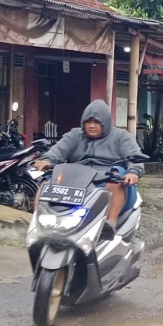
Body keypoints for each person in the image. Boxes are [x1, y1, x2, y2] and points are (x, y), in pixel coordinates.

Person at [34, 99, 144, 240]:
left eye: (96, 122)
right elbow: (58, 150)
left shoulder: (121, 137)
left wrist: (133, 172)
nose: (91, 126)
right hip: (77, 182)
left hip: (106, 180)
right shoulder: (75, 135)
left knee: (118, 174)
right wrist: (47, 160)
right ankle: (39, 221)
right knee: (46, 182)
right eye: (88, 122)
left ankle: (109, 222)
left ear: (105, 123)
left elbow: (134, 156)